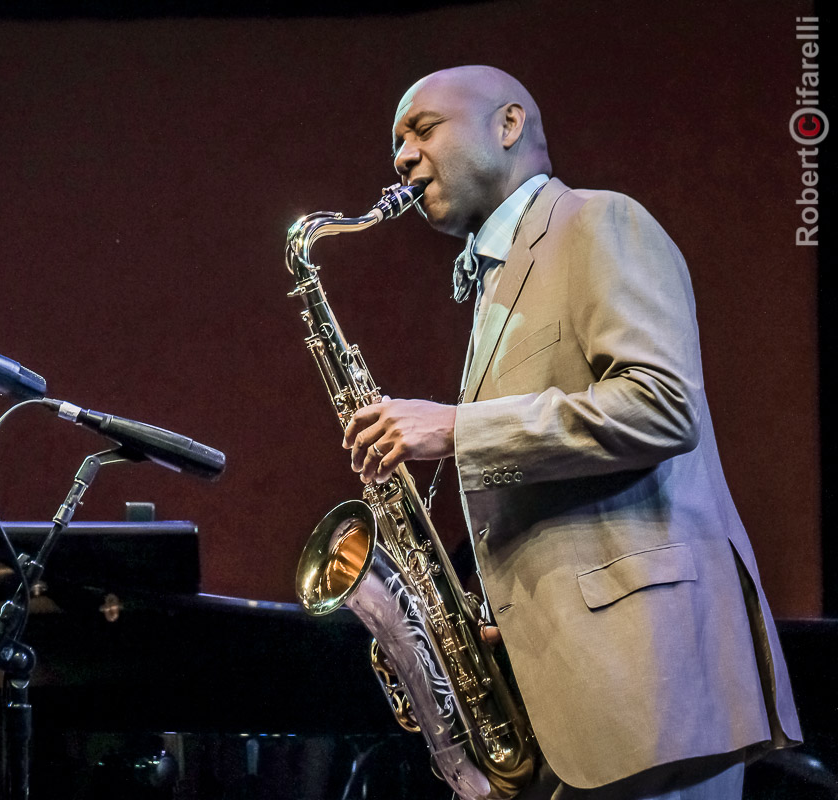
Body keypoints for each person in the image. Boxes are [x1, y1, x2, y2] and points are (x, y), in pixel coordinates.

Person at [341, 66, 801, 799]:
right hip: (568, 701)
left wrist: (461, 428)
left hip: (652, 696)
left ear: (509, 124)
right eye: (396, 142)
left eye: (423, 129)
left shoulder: (598, 221)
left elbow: (662, 405)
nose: (400, 156)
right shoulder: (496, 275)